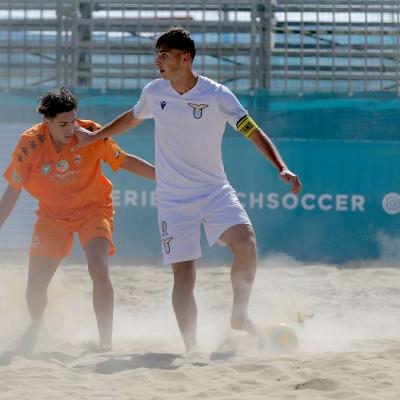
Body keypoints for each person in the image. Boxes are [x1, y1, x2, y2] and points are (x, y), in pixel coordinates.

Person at [72, 27, 302, 352]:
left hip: (214, 190)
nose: (158, 61)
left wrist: (281, 166)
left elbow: (252, 131)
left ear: (186, 58)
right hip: (173, 199)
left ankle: (239, 314)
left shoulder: (218, 94)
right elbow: (133, 117)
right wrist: (96, 137)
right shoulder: (154, 92)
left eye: (164, 55)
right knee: (183, 274)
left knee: (246, 244)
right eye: (157, 55)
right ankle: (192, 349)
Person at [0, 87, 155, 354]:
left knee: (98, 267)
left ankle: (105, 341)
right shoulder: (30, 143)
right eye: (63, 124)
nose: (70, 129)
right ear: (46, 121)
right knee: (36, 285)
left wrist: (163, 177)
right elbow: (13, 190)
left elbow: (124, 160)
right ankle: (36, 326)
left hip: (93, 209)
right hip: (52, 215)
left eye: (72, 121)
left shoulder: (91, 133)